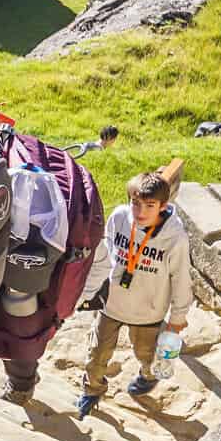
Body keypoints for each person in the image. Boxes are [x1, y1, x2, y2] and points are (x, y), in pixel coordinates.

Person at [78, 169, 193, 418]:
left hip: (148, 312)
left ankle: (147, 377)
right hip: (110, 304)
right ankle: (92, 390)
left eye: (149, 205)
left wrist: (177, 318)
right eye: (135, 203)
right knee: (96, 355)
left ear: (163, 206)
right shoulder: (119, 217)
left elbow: (181, 279)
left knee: (148, 356)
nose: (140, 212)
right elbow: (104, 256)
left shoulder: (175, 238)